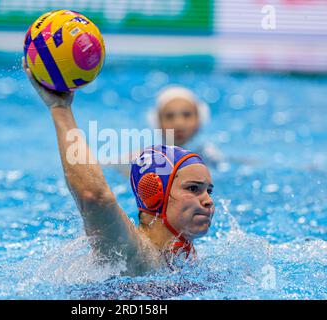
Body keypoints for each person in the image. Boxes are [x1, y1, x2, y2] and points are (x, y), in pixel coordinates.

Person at [23, 58, 215, 276]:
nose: (208, 200)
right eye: (193, 189)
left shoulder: (183, 257)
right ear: (155, 193)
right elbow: (93, 195)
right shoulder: (133, 253)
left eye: (209, 190)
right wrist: (60, 108)